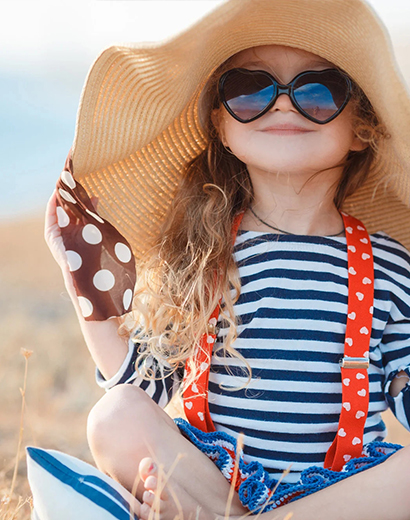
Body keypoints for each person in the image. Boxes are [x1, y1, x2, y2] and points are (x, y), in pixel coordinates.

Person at [44, 0, 410, 518]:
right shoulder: (202, 253)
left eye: (319, 91)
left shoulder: (391, 268)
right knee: (115, 416)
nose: (283, 105)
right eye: (249, 89)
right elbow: (146, 384)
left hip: (337, 497)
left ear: (361, 127)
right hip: (218, 483)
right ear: (220, 123)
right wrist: (80, 272)